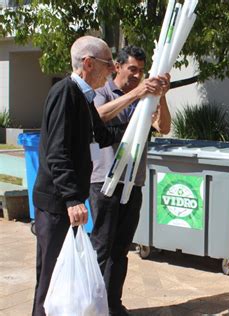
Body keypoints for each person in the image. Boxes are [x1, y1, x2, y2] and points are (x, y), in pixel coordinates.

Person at [32, 35, 126, 316]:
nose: (112, 71)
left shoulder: (84, 97)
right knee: (51, 277)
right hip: (57, 202)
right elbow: (57, 152)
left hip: (67, 201)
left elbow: (103, 135)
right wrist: (73, 199)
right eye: (109, 64)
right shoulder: (66, 93)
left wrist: (142, 126)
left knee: (63, 279)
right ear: (88, 63)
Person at [89, 45, 171, 316]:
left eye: (140, 71)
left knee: (121, 249)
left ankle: (113, 304)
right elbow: (99, 117)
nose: (136, 75)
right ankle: (93, 307)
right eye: (131, 69)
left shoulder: (146, 99)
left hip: (132, 181)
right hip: (104, 181)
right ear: (118, 67)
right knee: (102, 246)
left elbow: (164, 127)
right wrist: (139, 93)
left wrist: (161, 96)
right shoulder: (101, 94)